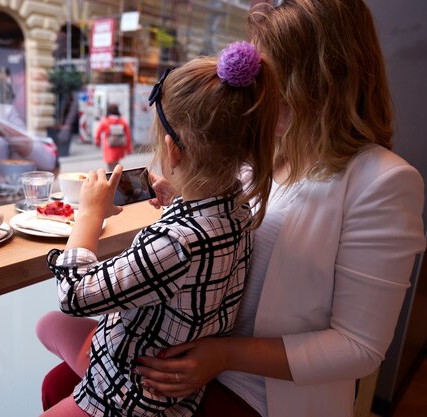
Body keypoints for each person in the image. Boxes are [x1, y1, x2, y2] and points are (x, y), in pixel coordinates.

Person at [38, 1, 427, 416]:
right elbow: (216, 228)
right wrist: (183, 194)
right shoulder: (253, 155)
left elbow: (359, 346)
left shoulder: (383, 181)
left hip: (260, 389)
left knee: (63, 371)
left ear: (320, 82)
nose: (253, 93)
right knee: (57, 379)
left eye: (267, 78)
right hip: (184, 356)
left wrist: (222, 355)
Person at [35, 41, 280, 416]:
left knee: (53, 323)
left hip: (136, 397)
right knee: (47, 327)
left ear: (173, 150)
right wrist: (176, 194)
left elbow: (74, 295)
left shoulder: (176, 243)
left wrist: (88, 216)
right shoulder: (236, 204)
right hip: (160, 357)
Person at [94, 103, 133, 172]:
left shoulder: (105, 121)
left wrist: (97, 142)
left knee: (110, 165)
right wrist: (128, 148)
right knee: (116, 163)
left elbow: (98, 132)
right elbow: (128, 135)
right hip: (119, 145)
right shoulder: (122, 121)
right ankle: (117, 176)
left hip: (109, 146)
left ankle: (113, 178)